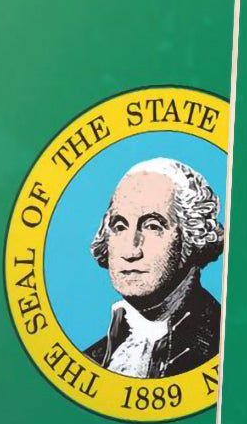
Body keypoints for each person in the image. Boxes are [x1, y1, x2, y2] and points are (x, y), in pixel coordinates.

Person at [84, 158, 223, 378]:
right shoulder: (91, 361)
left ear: (192, 235)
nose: (131, 251)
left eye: (152, 226)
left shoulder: (224, 346)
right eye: (119, 226)